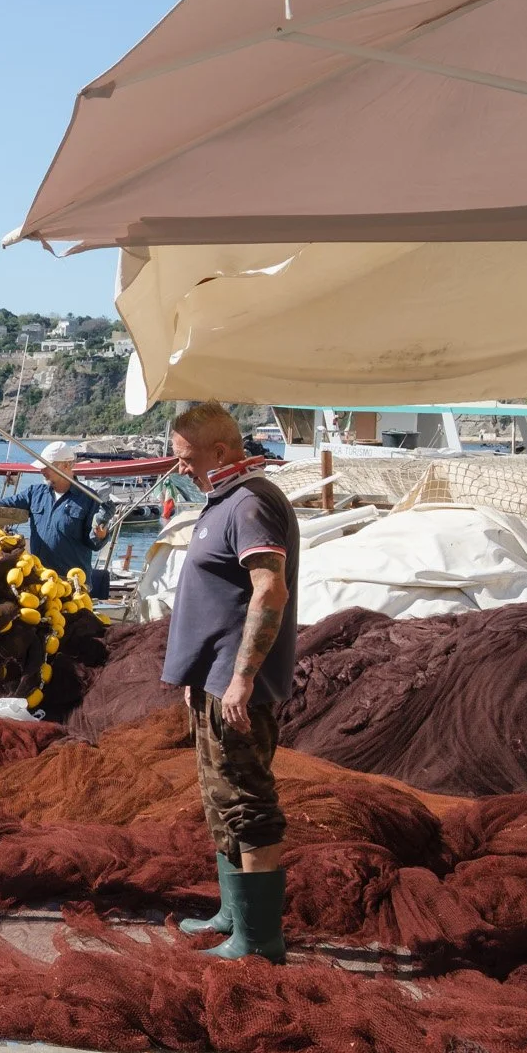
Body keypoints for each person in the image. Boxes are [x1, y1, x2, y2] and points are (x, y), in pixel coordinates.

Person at [162, 402, 298, 962]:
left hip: (235, 686)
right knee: (220, 796)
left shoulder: (250, 503)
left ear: (220, 451)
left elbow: (270, 589)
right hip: (211, 681)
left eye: (186, 457)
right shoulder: (224, 500)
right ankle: (233, 913)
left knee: (246, 800)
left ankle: (259, 939)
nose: (180, 469)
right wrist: (198, 674)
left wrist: (241, 678)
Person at [0, 440, 107, 580]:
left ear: (66, 465)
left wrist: (100, 535)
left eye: (47, 466)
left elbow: (95, 544)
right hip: (38, 579)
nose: (42, 471)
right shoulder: (35, 493)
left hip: (71, 582)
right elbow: (5, 504)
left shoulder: (89, 498)